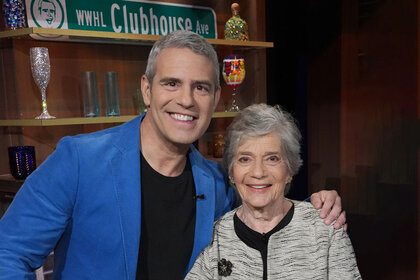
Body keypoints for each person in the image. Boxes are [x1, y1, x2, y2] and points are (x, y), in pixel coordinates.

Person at [0, 31, 345, 279]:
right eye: (172, 83)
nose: (187, 100)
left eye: (201, 87)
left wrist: (315, 208)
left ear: (215, 99)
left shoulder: (217, 183)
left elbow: (266, 224)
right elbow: (8, 253)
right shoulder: (79, 160)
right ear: (147, 90)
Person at [186, 103, 361, 280]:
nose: (258, 172)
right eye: (245, 159)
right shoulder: (215, 238)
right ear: (232, 172)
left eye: (272, 158)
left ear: (289, 170)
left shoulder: (326, 230)